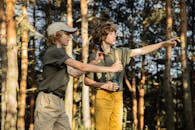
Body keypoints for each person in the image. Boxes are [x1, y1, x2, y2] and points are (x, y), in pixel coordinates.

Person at [84, 21, 179, 130]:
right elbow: (87, 81)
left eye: (115, 33)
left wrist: (163, 43)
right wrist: (103, 85)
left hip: (118, 97)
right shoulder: (94, 57)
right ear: (102, 36)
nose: (115, 35)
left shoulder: (121, 52)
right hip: (102, 97)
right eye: (112, 33)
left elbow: (142, 50)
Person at [34, 22, 123, 130]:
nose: (70, 37)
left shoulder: (60, 53)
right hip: (47, 102)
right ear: (56, 35)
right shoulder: (54, 51)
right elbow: (81, 67)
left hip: (58, 101)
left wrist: (93, 63)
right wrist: (111, 69)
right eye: (67, 34)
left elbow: (74, 72)